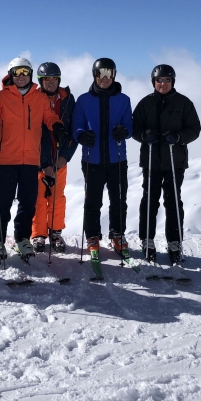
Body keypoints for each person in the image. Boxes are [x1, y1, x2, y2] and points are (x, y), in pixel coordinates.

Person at [0, 57, 65, 262]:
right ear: (11, 75)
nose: (21, 77)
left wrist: (57, 125)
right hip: (6, 160)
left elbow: (49, 116)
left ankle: (22, 238)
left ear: (30, 74)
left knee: (28, 203)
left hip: (30, 160)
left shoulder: (39, 98)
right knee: (3, 202)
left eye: (25, 72)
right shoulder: (1, 97)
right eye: (17, 73)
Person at [132, 64, 201, 263]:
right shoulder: (146, 103)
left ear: (173, 81)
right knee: (150, 201)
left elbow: (194, 128)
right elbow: (134, 127)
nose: (163, 84)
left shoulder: (183, 103)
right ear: (153, 82)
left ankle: (174, 242)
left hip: (174, 160)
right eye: (159, 80)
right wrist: (144, 135)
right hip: (152, 160)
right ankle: (147, 240)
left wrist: (179, 137)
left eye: (167, 80)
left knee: (172, 201)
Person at [72, 58, 133, 258]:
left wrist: (124, 131)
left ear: (114, 75)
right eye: (100, 73)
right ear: (94, 75)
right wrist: (82, 135)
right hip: (93, 158)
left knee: (118, 199)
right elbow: (77, 125)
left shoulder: (123, 99)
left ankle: (117, 233)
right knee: (93, 200)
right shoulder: (83, 100)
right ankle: (92, 235)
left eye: (108, 73)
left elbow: (130, 126)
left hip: (117, 158)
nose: (104, 78)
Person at [30, 62, 78, 253]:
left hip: (60, 157)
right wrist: (44, 163)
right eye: (46, 79)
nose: (51, 82)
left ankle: (55, 232)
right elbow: (34, 133)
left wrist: (65, 157)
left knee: (58, 197)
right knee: (39, 198)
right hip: (39, 160)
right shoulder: (34, 99)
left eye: (54, 78)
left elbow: (74, 129)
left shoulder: (67, 99)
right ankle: (38, 234)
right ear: (40, 81)